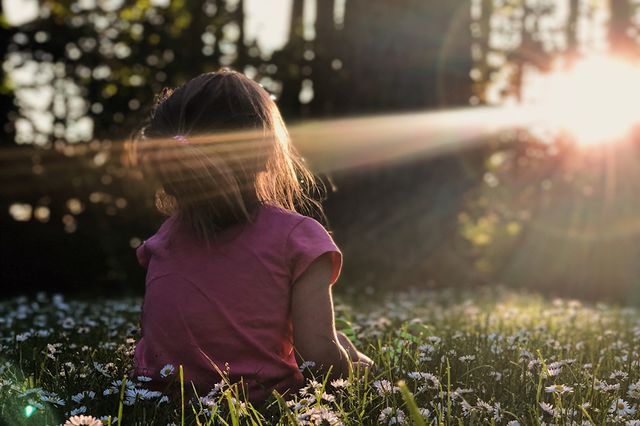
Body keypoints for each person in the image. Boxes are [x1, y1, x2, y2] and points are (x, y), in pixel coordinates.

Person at [127, 69, 372, 403]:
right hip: (261, 403)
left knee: (338, 340)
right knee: (340, 347)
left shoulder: (164, 238)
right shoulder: (297, 238)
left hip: (161, 398)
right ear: (267, 153)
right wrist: (358, 370)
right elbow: (317, 359)